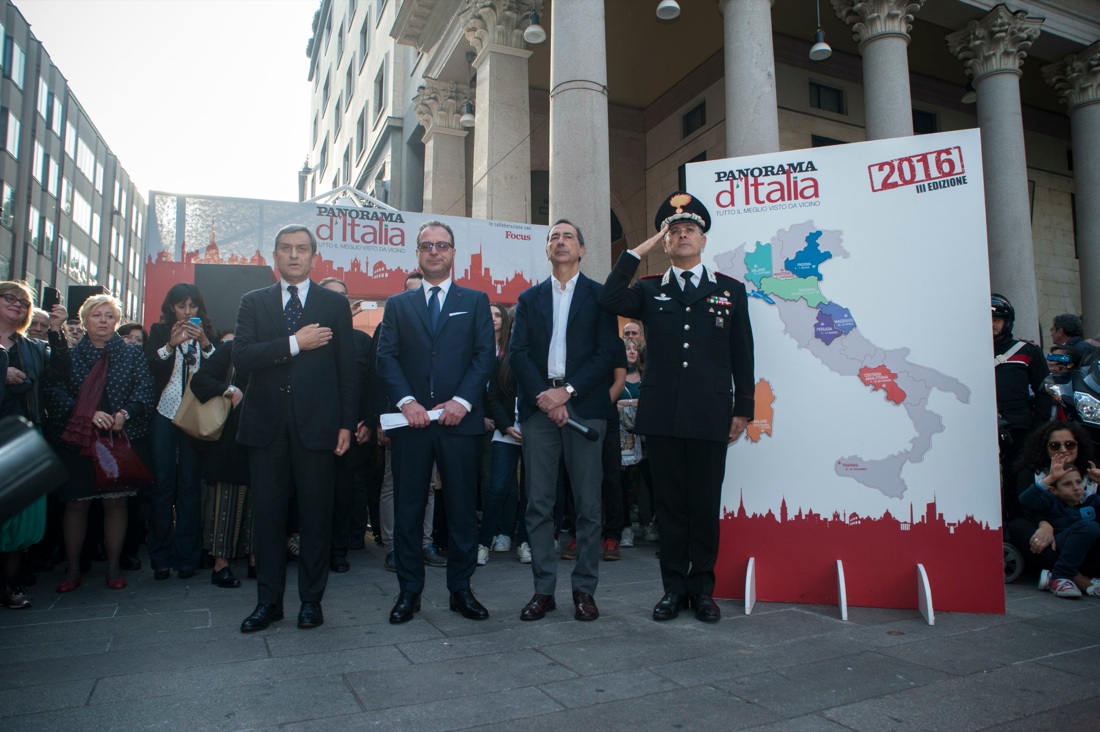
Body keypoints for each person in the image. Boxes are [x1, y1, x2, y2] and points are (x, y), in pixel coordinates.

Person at [600, 191, 755, 623]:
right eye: (673, 231)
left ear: (703, 240)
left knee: (704, 506)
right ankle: (672, 590)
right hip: (664, 414)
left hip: (710, 415)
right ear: (664, 242)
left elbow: (743, 353)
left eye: (690, 230)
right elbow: (609, 300)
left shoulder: (730, 290)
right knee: (670, 508)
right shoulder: (649, 290)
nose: (682, 235)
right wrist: (636, 252)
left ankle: (702, 590)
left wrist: (743, 408)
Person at [233, 224, 357, 633]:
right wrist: (294, 343)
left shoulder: (333, 304)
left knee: (316, 516)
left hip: (319, 426)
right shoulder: (253, 302)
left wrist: (345, 423)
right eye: (285, 249)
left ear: (314, 257)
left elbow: (346, 371)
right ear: (275, 257)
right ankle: (268, 603)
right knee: (267, 518)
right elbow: (244, 357)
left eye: (302, 249)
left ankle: (311, 601)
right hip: (266, 426)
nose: (293, 255)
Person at [376, 220, 495, 624]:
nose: (434, 251)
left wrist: (462, 401)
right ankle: (409, 591)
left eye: (441, 245)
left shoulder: (475, 300)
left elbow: (484, 356)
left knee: (461, 511)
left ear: (453, 252)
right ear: (417, 253)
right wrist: (406, 401)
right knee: (409, 510)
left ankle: (461, 590)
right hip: (411, 424)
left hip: (459, 423)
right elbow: (386, 357)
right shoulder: (398, 305)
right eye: (426, 245)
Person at [510, 219, 618, 622]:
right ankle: (543, 591)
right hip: (540, 407)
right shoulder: (528, 298)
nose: (560, 241)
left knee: (589, 504)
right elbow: (517, 353)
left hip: (585, 405)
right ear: (547, 249)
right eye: (553, 236)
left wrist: (566, 393)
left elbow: (609, 354)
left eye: (568, 236)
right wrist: (547, 397)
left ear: (582, 249)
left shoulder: (601, 296)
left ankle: (584, 590)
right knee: (538, 502)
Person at [42, 294, 154, 593]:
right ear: (85, 318)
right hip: (77, 438)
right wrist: (87, 413)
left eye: (109, 316)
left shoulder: (131, 354)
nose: (103, 321)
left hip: (117, 438)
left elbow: (145, 389)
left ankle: (114, 566)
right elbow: (53, 390)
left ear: (116, 322)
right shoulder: (69, 354)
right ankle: (73, 568)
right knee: (76, 504)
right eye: (97, 315)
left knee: (116, 503)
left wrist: (124, 413)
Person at [0, 282, 68, 608]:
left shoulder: (33, 347)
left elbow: (62, 373)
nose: (17, 304)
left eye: (24, 302)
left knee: (20, 517)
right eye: (9, 298)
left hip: (24, 434)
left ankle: (11, 585)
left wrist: (55, 330)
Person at [145, 283, 218, 581]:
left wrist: (204, 343)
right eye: (181, 306)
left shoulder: (207, 332)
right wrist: (171, 345)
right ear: (171, 308)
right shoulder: (160, 331)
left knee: (190, 487)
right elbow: (149, 366)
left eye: (192, 306)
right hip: (164, 414)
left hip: (194, 416)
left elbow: (220, 369)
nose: (187, 312)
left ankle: (187, 557)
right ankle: (160, 558)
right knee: (163, 486)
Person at [318, 276, 378, 573]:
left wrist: (368, 421)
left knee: (344, 492)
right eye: (331, 296)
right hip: (313, 430)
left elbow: (370, 385)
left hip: (351, 430)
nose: (338, 301)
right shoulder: (307, 339)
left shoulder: (362, 341)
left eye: (343, 295)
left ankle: (338, 550)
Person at [189, 338, 252, 588]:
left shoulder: (281, 348)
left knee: (261, 498)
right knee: (227, 497)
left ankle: (255, 558)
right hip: (231, 437)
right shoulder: (232, 348)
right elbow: (199, 381)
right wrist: (230, 390)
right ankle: (221, 564)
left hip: (266, 434)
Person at [478, 303, 530, 565]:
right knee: (497, 488)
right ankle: (484, 543)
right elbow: (494, 397)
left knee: (530, 491)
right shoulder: (502, 360)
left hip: (535, 433)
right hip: (505, 433)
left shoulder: (538, 358)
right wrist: (506, 425)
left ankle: (524, 542)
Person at [992, 293, 1050, 520]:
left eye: (998, 319)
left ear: (1008, 322)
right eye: (988, 319)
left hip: (1018, 429)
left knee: (1018, 482)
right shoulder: (969, 353)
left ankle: (1017, 530)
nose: (993, 324)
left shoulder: (1027, 351)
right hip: (980, 429)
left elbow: (1044, 391)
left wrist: (1038, 429)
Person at [1019, 462, 1100, 598]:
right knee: (1090, 527)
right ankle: (1060, 577)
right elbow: (1025, 500)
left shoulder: (1091, 500)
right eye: (1067, 484)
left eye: (1079, 482)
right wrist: (1049, 479)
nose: (1076, 488)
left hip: (1088, 554)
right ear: (1054, 490)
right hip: (1062, 543)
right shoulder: (1052, 500)